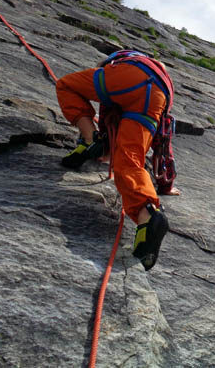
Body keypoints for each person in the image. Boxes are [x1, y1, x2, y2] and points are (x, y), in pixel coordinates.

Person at [55, 49, 179, 270]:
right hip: (158, 98)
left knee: (66, 85)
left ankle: (88, 137)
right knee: (130, 160)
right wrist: (166, 184)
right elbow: (163, 142)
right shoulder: (160, 72)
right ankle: (147, 216)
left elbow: (107, 106)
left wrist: (99, 142)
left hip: (130, 76)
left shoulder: (120, 58)